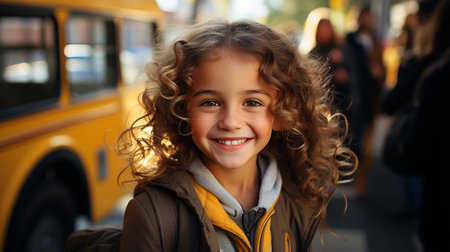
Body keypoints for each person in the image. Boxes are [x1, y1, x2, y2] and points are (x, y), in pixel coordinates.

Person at [117, 20, 357, 251]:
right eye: (210, 102)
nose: (231, 122)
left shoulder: (296, 195)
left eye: (252, 102)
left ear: (283, 114)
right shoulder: (153, 214)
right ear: (182, 110)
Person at [342, 6, 385, 197]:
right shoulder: (348, 39)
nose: (365, 20)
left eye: (368, 17)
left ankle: (362, 182)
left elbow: (382, 69)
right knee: (354, 140)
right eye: (361, 16)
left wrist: (379, 74)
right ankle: (352, 176)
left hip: (371, 98)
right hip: (353, 97)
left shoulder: (376, 41)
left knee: (367, 142)